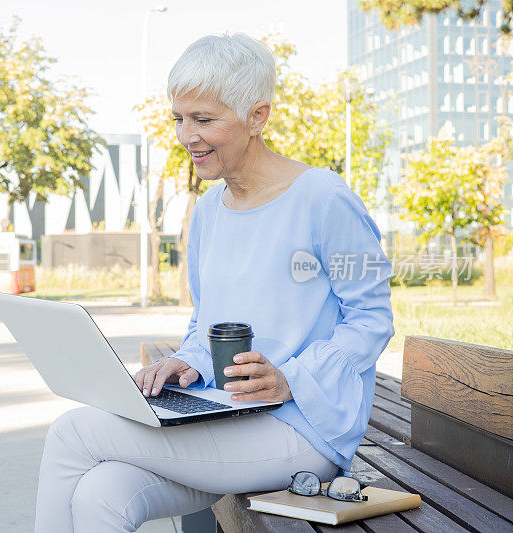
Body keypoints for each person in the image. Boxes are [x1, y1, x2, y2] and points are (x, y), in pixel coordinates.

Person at [33, 33, 394, 532]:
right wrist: (186, 361)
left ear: (258, 117)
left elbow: (372, 319)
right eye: (179, 118)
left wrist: (293, 379)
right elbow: (208, 321)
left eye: (204, 120)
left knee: (74, 433)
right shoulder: (208, 211)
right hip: (225, 417)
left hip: (303, 429)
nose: (187, 135)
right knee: (101, 493)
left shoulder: (324, 198)